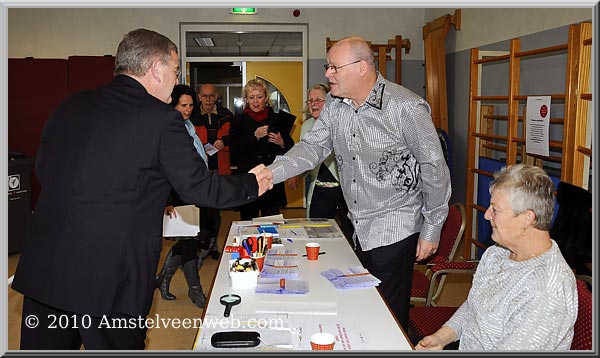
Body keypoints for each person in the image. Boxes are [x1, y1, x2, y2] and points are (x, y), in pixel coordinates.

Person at [11, 28, 272, 350]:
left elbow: (44, 170)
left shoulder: (71, 105)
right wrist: (252, 181)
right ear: (156, 68)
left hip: (46, 270)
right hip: (110, 279)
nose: (176, 82)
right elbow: (199, 189)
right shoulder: (161, 119)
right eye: (175, 71)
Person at [267, 36, 451, 330]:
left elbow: (434, 167)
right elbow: (312, 147)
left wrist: (432, 227)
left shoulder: (406, 107)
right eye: (328, 67)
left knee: (388, 318)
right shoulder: (335, 106)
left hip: (395, 226)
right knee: (362, 306)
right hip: (356, 225)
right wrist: (270, 173)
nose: (328, 74)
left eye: (334, 68)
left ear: (362, 67)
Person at [416, 164, 577, 351]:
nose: (486, 215)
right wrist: (442, 336)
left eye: (495, 209)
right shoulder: (498, 252)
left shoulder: (546, 290)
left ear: (527, 218)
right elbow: (476, 304)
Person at [155, 84, 209, 309]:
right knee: (190, 243)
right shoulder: (169, 130)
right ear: (172, 105)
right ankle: (195, 291)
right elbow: (161, 168)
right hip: (179, 195)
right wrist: (166, 202)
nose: (188, 110)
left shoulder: (188, 126)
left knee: (189, 240)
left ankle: (163, 279)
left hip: (196, 191)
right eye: (183, 105)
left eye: (190, 105)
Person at [286, 83, 354, 242]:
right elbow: (305, 157)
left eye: (318, 100)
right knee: (317, 232)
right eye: (310, 101)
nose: (313, 103)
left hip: (345, 188)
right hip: (320, 187)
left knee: (351, 232)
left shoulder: (342, 123)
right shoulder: (307, 126)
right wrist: (296, 174)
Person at [230, 78, 296, 220]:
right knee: (248, 223)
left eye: (259, 97)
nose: (255, 101)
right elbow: (234, 151)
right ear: (246, 99)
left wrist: (281, 142)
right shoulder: (238, 121)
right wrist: (254, 136)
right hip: (248, 180)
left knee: (272, 223)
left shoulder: (276, 118)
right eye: (251, 97)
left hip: (272, 178)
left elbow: (290, 148)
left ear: (265, 98)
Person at [190, 83, 235, 259]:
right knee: (201, 209)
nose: (208, 100)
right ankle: (202, 243)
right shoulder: (191, 117)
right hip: (199, 172)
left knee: (215, 211)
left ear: (216, 97)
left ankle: (213, 244)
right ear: (199, 97)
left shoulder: (226, 116)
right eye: (204, 96)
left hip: (220, 170)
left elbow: (237, 136)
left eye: (211, 96)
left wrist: (225, 141)